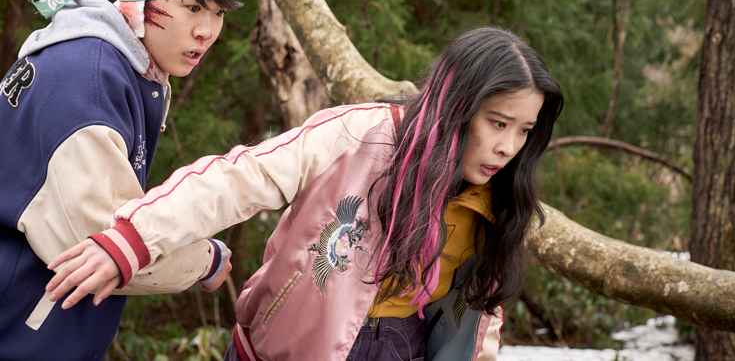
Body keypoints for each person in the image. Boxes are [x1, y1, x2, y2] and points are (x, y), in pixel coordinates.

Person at [47, 27, 564, 361]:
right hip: (286, 346)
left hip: (400, 347)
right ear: (457, 104)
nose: (508, 147)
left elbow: (475, 321)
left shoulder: (498, 204)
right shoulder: (360, 135)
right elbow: (239, 178)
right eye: (498, 123)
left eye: (524, 131)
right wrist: (133, 239)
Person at [0, 0, 240, 361]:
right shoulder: (87, 78)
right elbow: (103, 239)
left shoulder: (105, 62)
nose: (207, 30)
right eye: (192, 7)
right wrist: (203, 259)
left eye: (218, 11)